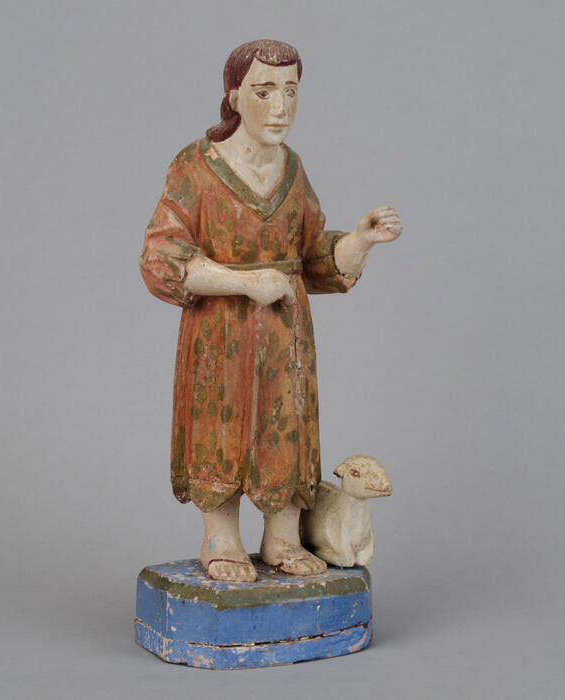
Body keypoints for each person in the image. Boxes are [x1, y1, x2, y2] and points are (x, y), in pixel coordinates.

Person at [140, 39, 401, 582]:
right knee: (219, 424)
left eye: (290, 91)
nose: (280, 107)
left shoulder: (292, 169)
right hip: (219, 332)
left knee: (286, 427)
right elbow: (161, 256)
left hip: (286, 333)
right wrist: (243, 282)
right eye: (263, 92)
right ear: (234, 96)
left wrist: (360, 240)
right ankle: (222, 540)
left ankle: (283, 538)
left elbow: (314, 258)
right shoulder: (196, 166)